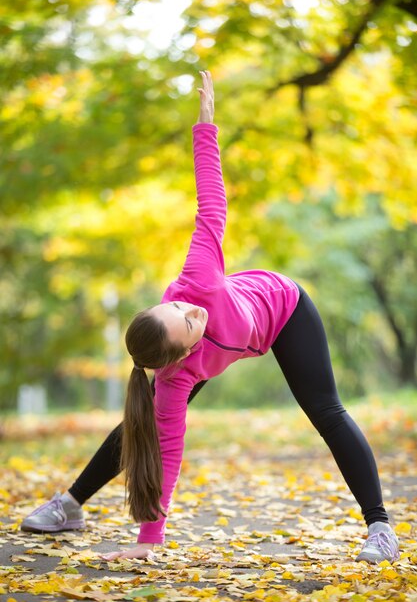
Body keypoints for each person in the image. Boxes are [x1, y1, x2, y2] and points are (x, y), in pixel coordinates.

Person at [21, 70, 400, 565]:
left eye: (178, 307)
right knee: (146, 423)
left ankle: (380, 528)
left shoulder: (196, 280)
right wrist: (148, 543)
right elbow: (170, 456)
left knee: (326, 410)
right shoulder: (176, 376)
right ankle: (70, 505)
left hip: (282, 307)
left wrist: (205, 128)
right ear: (183, 354)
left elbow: (211, 203)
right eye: (189, 323)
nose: (193, 310)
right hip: (222, 346)